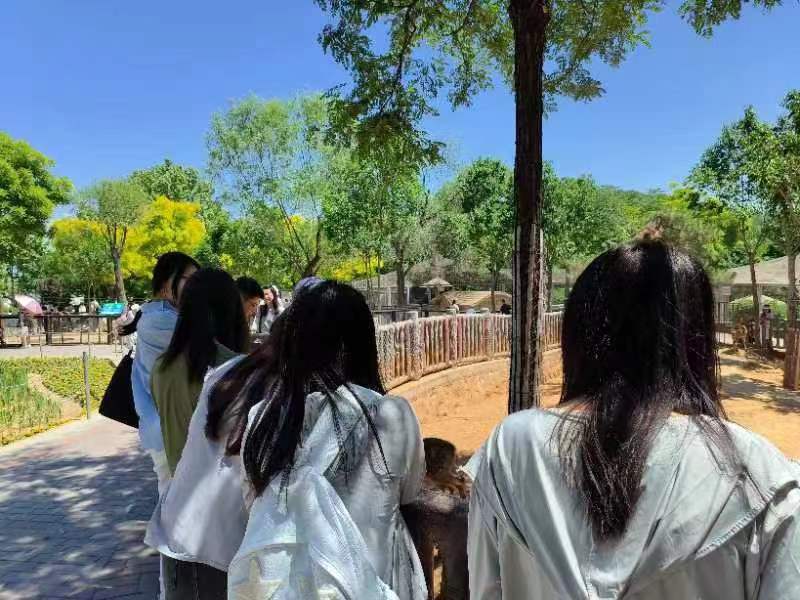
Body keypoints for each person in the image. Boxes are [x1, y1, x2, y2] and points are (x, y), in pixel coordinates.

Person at [467, 240, 800, 599]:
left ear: (578, 333)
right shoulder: (758, 474)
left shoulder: (509, 450)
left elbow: (486, 589)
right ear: (696, 339)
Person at [226, 280, 427, 599]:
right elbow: (410, 493)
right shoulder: (390, 414)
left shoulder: (262, 418)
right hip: (371, 586)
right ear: (361, 345)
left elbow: (255, 504)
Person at [149, 268, 250, 599]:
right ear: (231, 312)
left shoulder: (162, 368)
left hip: (176, 521)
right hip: (225, 534)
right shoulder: (237, 372)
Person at [132, 251, 200, 495]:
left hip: (170, 426)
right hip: (167, 429)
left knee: (176, 498)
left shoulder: (169, 314)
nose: (196, 286)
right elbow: (209, 348)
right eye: (189, 279)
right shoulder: (161, 319)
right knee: (175, 499)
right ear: (165, 283)